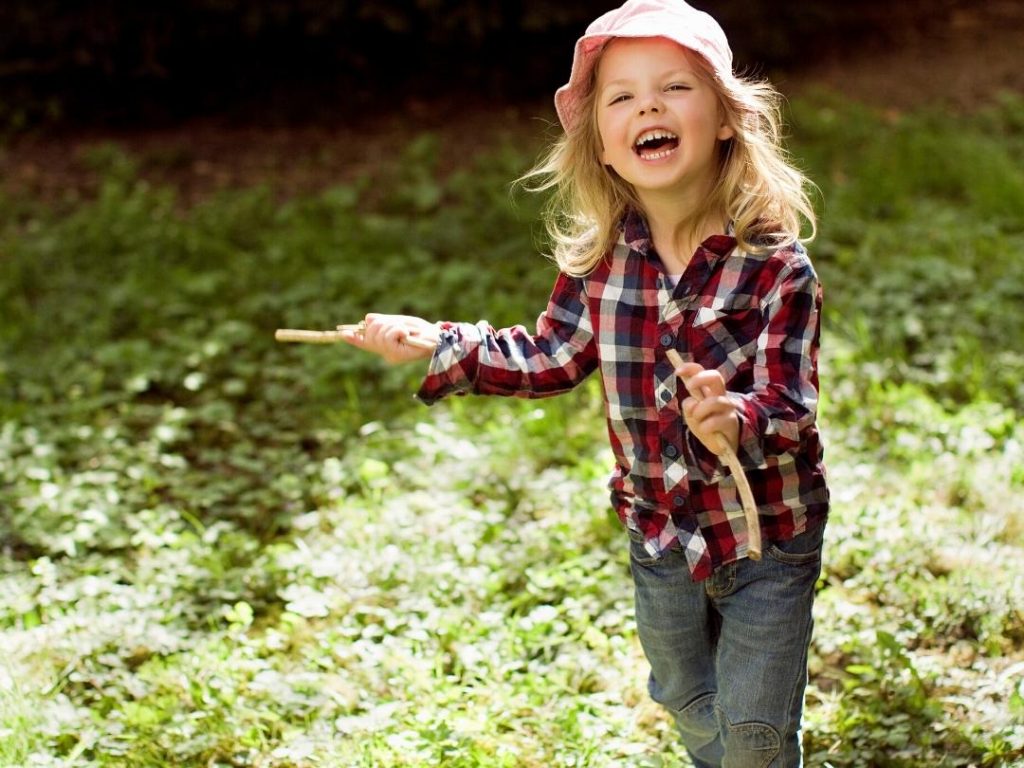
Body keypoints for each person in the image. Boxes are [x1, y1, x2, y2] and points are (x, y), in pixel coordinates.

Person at [338, 0, 829, 764]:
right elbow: (547, 356)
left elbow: (790, 402)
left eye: (676, 88)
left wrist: (734, 417)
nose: (649, 107)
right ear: (601, 141)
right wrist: (438, 342)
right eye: (623, 97)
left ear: (727, 120)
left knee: (757, 736)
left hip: (766, 534)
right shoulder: (604, 264)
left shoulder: (775, 266)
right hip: (660, 532)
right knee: (686, 700)